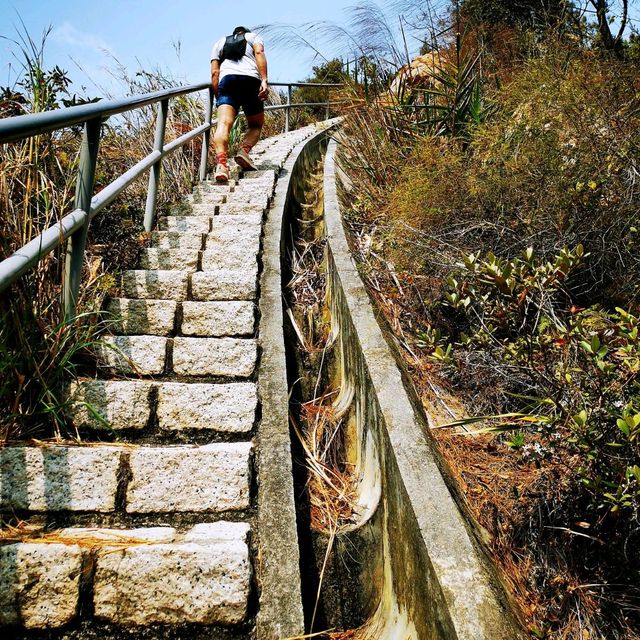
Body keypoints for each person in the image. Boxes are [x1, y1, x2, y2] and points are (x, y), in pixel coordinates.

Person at [210, 26, 269, 183]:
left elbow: (215, 72)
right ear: (246, 32)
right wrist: (264, 79)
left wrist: (219, 97)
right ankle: (243, 151)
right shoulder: (254, 37)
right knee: (256, 125)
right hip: (250, 81)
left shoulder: (220, 43)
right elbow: (259, 53)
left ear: (234, 33)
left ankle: (222, 165)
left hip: (227, 81)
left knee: (223, 124)